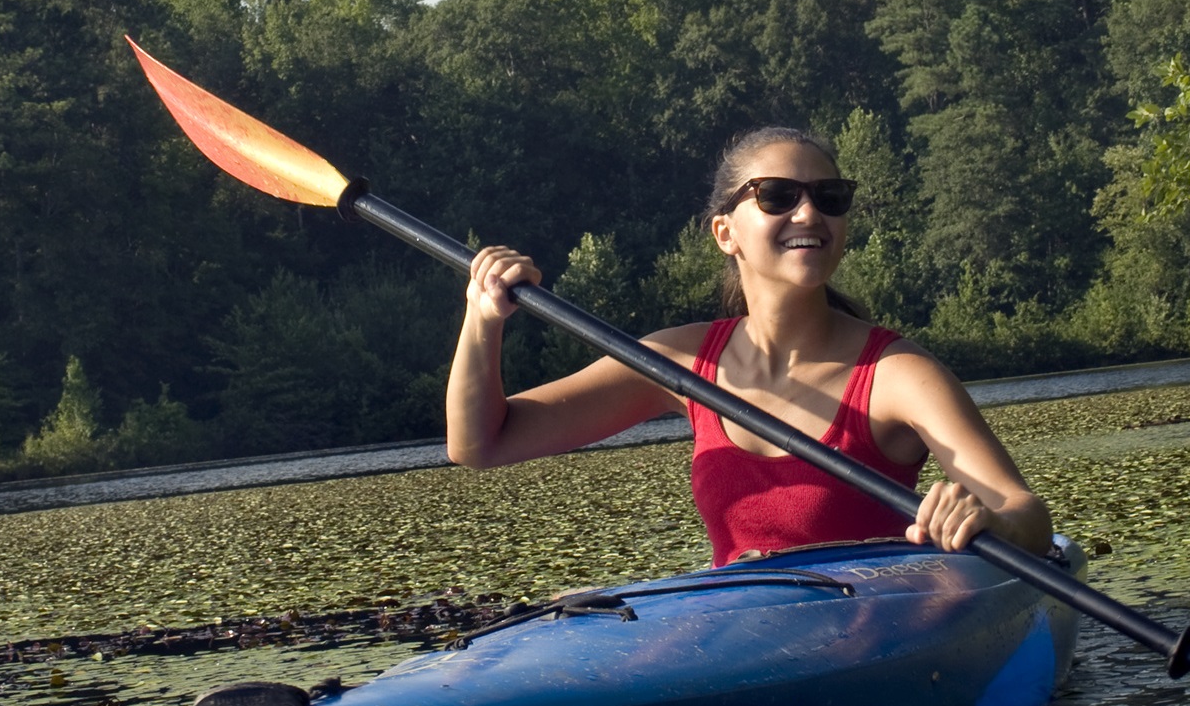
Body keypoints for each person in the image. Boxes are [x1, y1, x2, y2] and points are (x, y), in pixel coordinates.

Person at [446, 126, 1052, 567]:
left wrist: (986, 519)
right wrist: (483, 319)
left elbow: (1026, 515)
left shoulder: (899, 375)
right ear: (725, 232)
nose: (809, 212)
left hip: (872, 634)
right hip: (740, 632)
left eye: (830, 197)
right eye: (778, 197)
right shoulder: (678, 362)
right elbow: (481, 443)